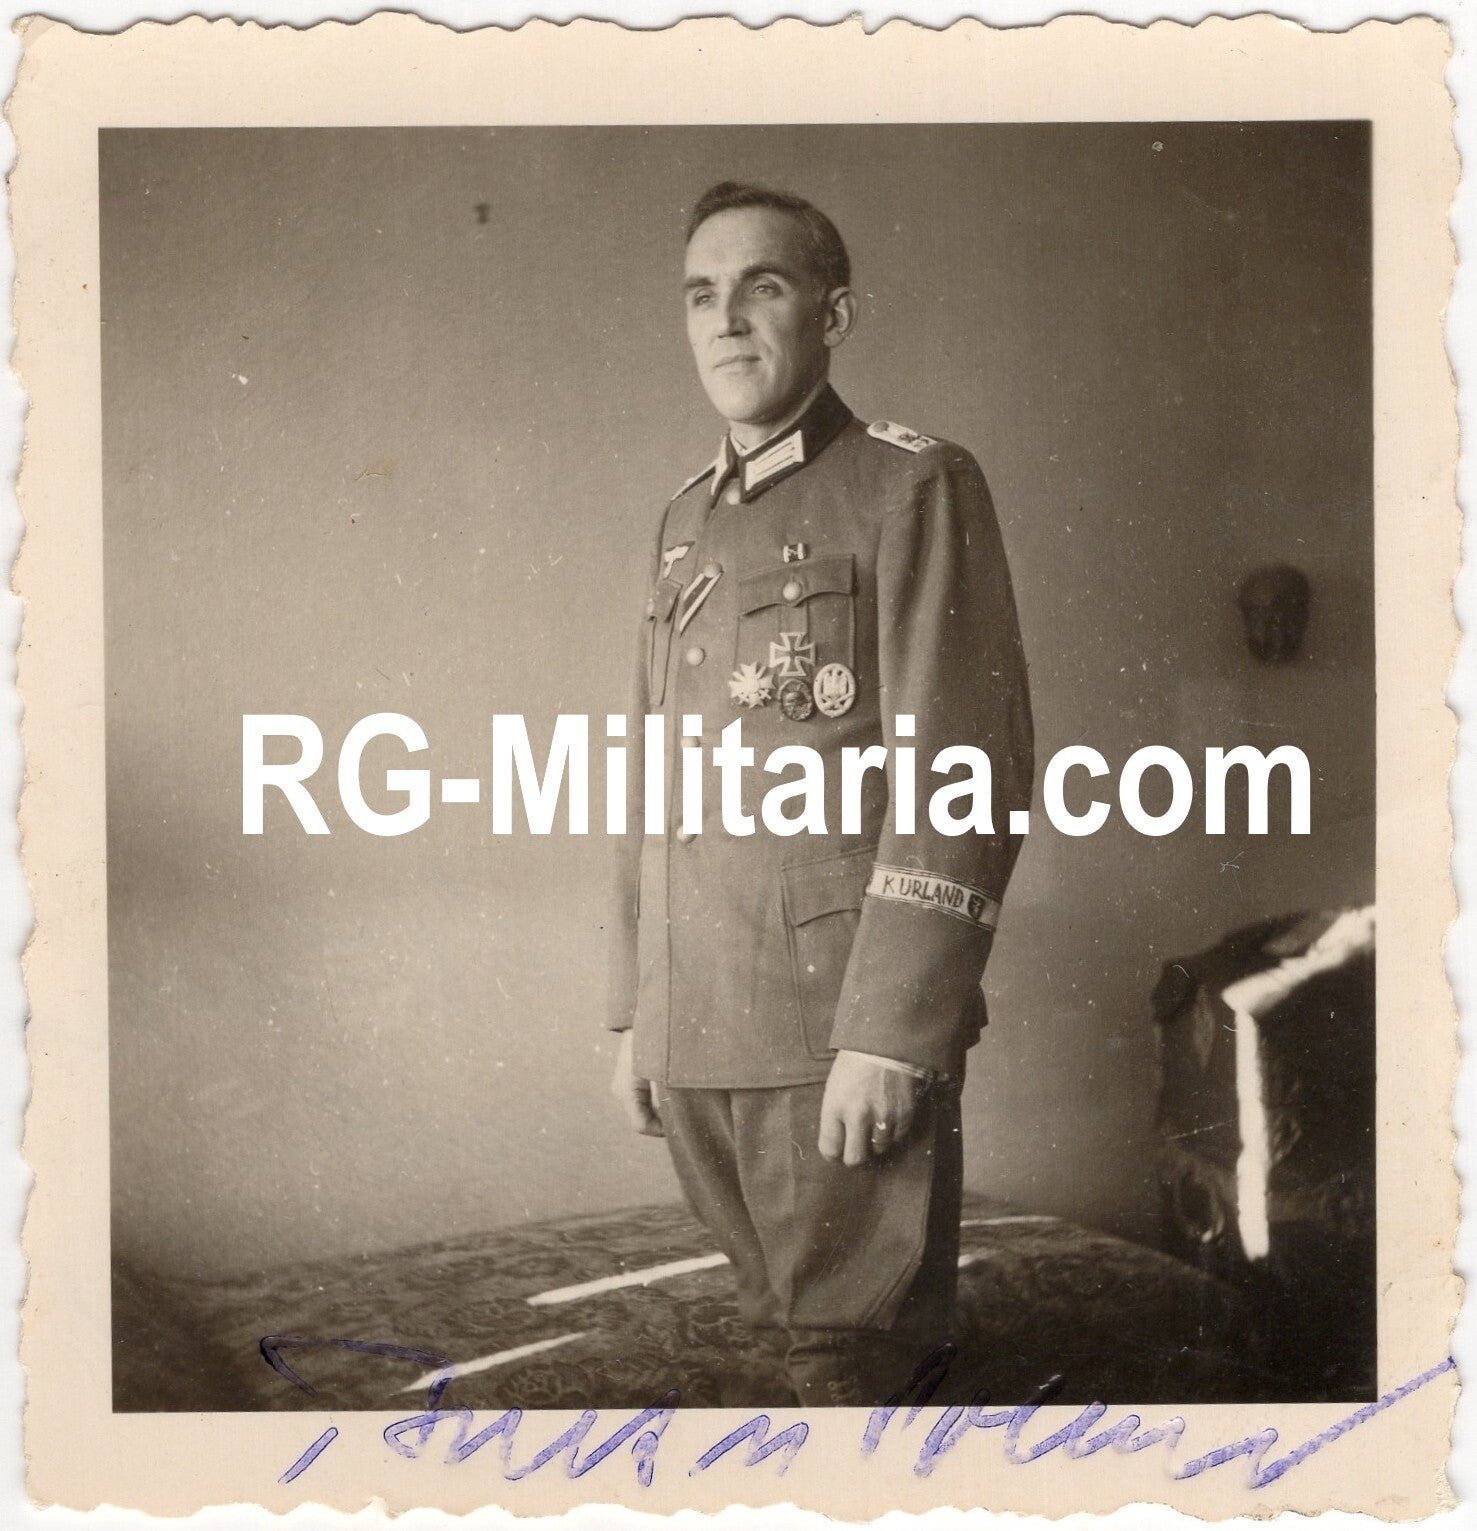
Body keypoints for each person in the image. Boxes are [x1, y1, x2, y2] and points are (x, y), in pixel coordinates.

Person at [606, 180, 1034, 1407]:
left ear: (833, 312)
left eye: (764, 287)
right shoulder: (683, 521)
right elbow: (654, 774)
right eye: (701, 294)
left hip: (834, 1027)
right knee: (774, 1357)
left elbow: (969, 768)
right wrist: (637, 1009)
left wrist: (894, 1030)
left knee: (852, 1371)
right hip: (701, 1019)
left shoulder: (909, 483)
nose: (726, 320)